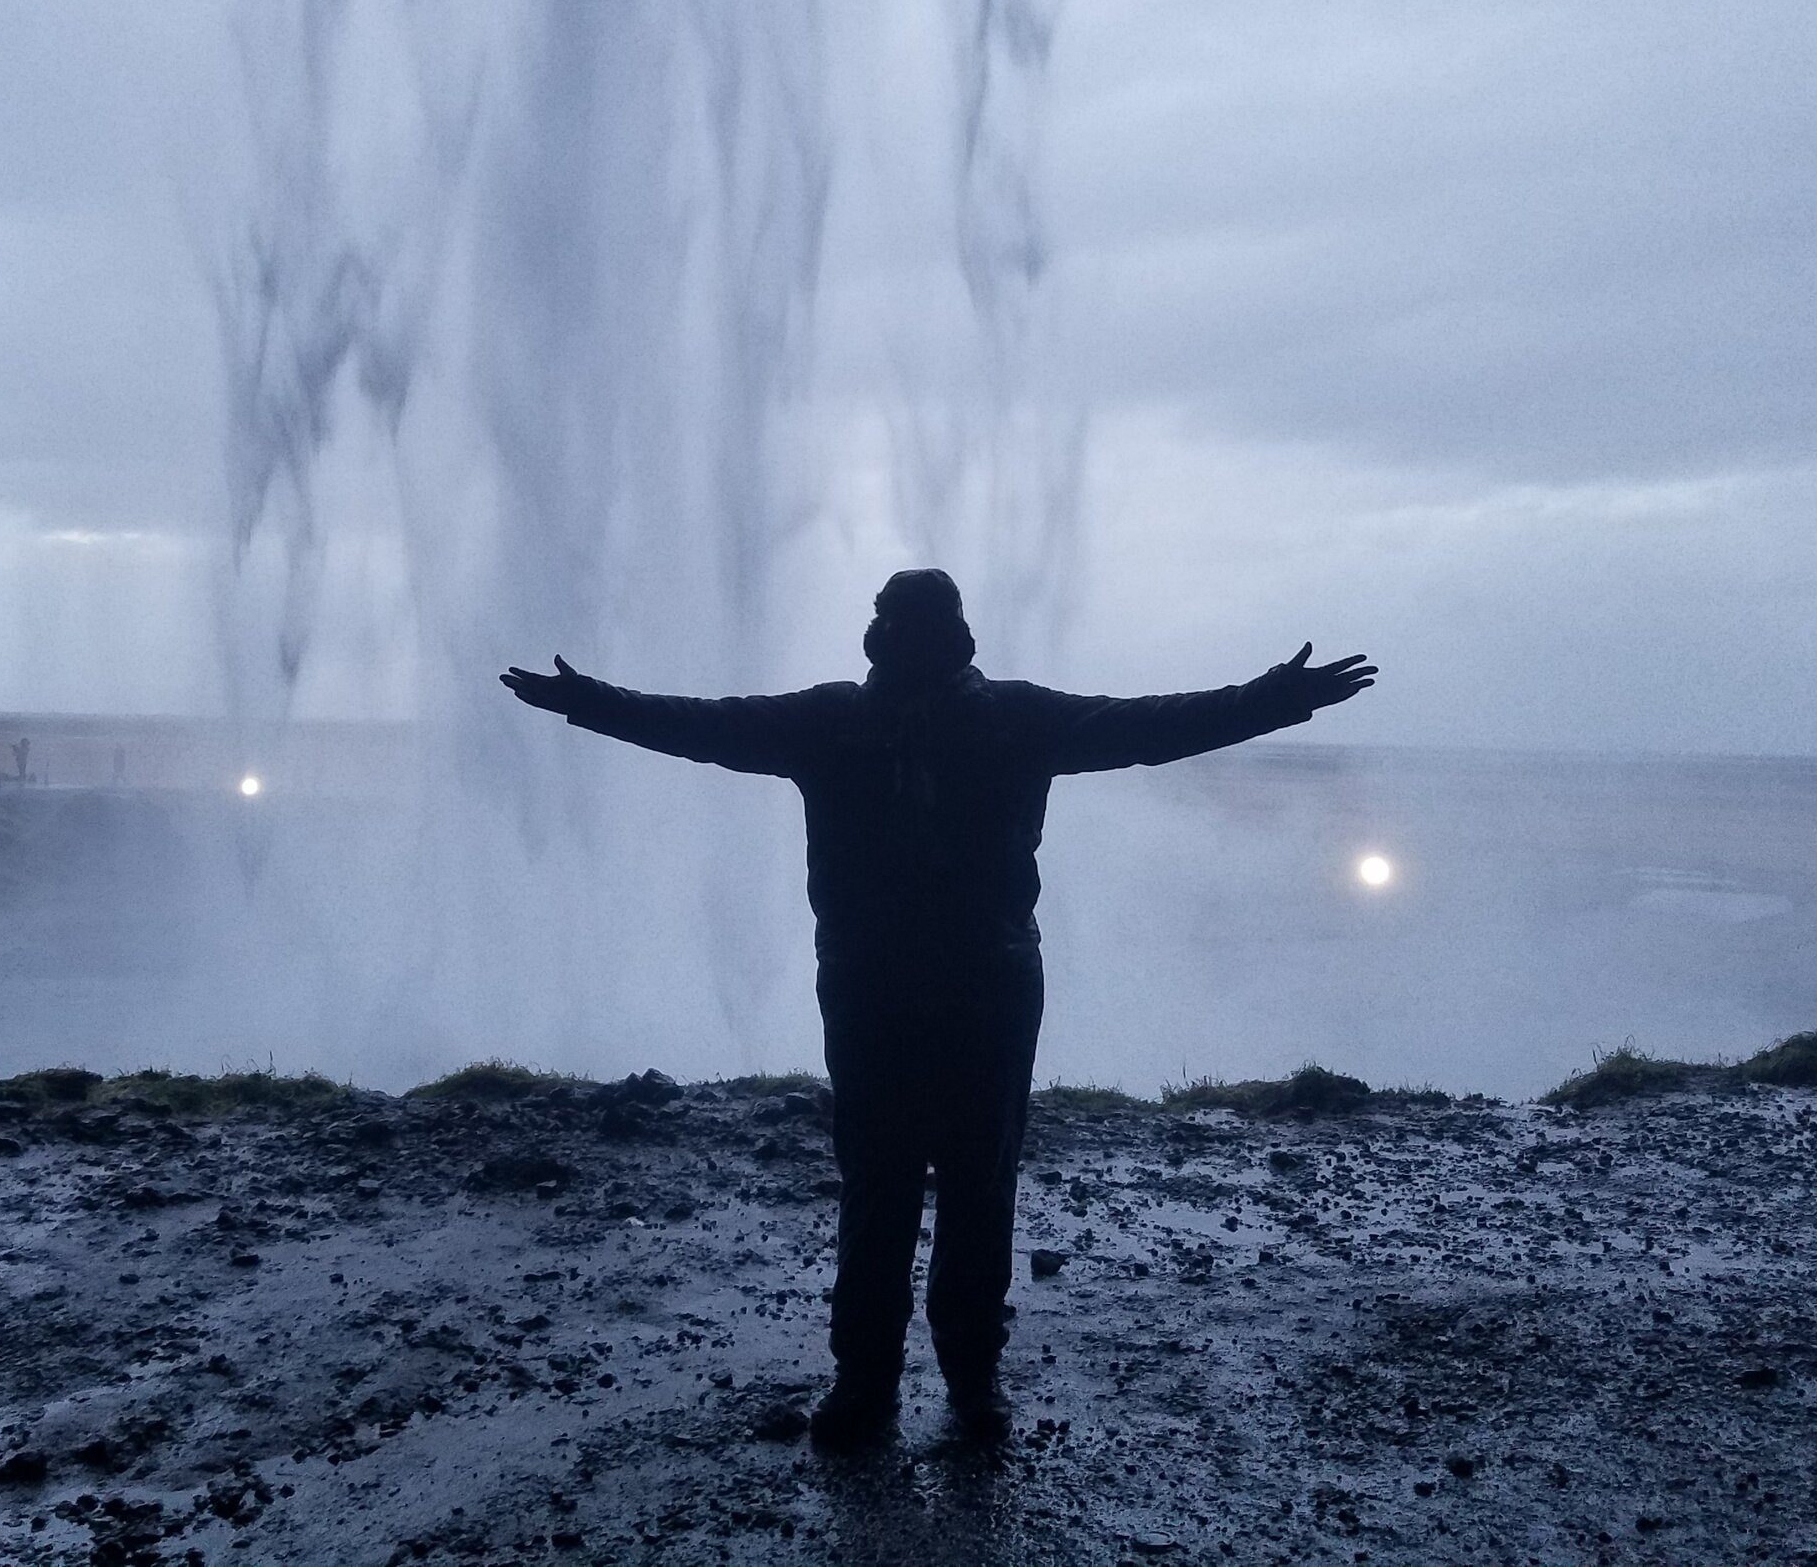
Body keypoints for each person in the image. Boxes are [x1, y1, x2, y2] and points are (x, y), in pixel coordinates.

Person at [502, 568, 1375, 1447]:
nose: (908, 642)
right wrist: (1272, 698)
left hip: (923, 983)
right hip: (945, 982)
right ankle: (921, 1382)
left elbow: (699, 725)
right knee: (945, 1183)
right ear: (953, 637)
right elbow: (1150, 727)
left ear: (892, 638)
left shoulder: (850, 717)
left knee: (921, 1183)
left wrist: (1273, 699)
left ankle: (911, 1383)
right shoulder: (956, 716)